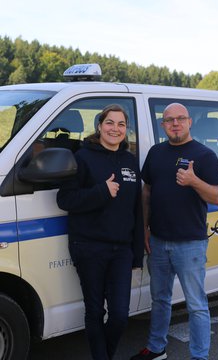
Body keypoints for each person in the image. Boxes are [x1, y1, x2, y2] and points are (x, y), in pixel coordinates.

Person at [130, 103, 218, 360]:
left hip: (190, 244)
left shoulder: (204, 155)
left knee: (196, 305)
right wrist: (145, 229)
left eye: (180, 119)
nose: (175, 124)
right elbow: (147, 192)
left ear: (189, 122)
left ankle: (199, 356)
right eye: (169, 120)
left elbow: (217, 196)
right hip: (159, 241)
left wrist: (194, 181)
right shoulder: (156, 153)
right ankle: (156, 348)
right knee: (159, 300)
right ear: (163, 125)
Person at [57, 104, 144, 360]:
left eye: (121, 124)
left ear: (126, 129)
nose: (115, 129)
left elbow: (136, 210)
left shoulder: (130, 160)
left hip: (121, 251)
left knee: (119, 315)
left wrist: (136, 255)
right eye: (109, 123)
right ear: (99, 126)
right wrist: (101, 192)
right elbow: (66, 200)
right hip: (89, 247)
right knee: (95, 312)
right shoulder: (83, 157)